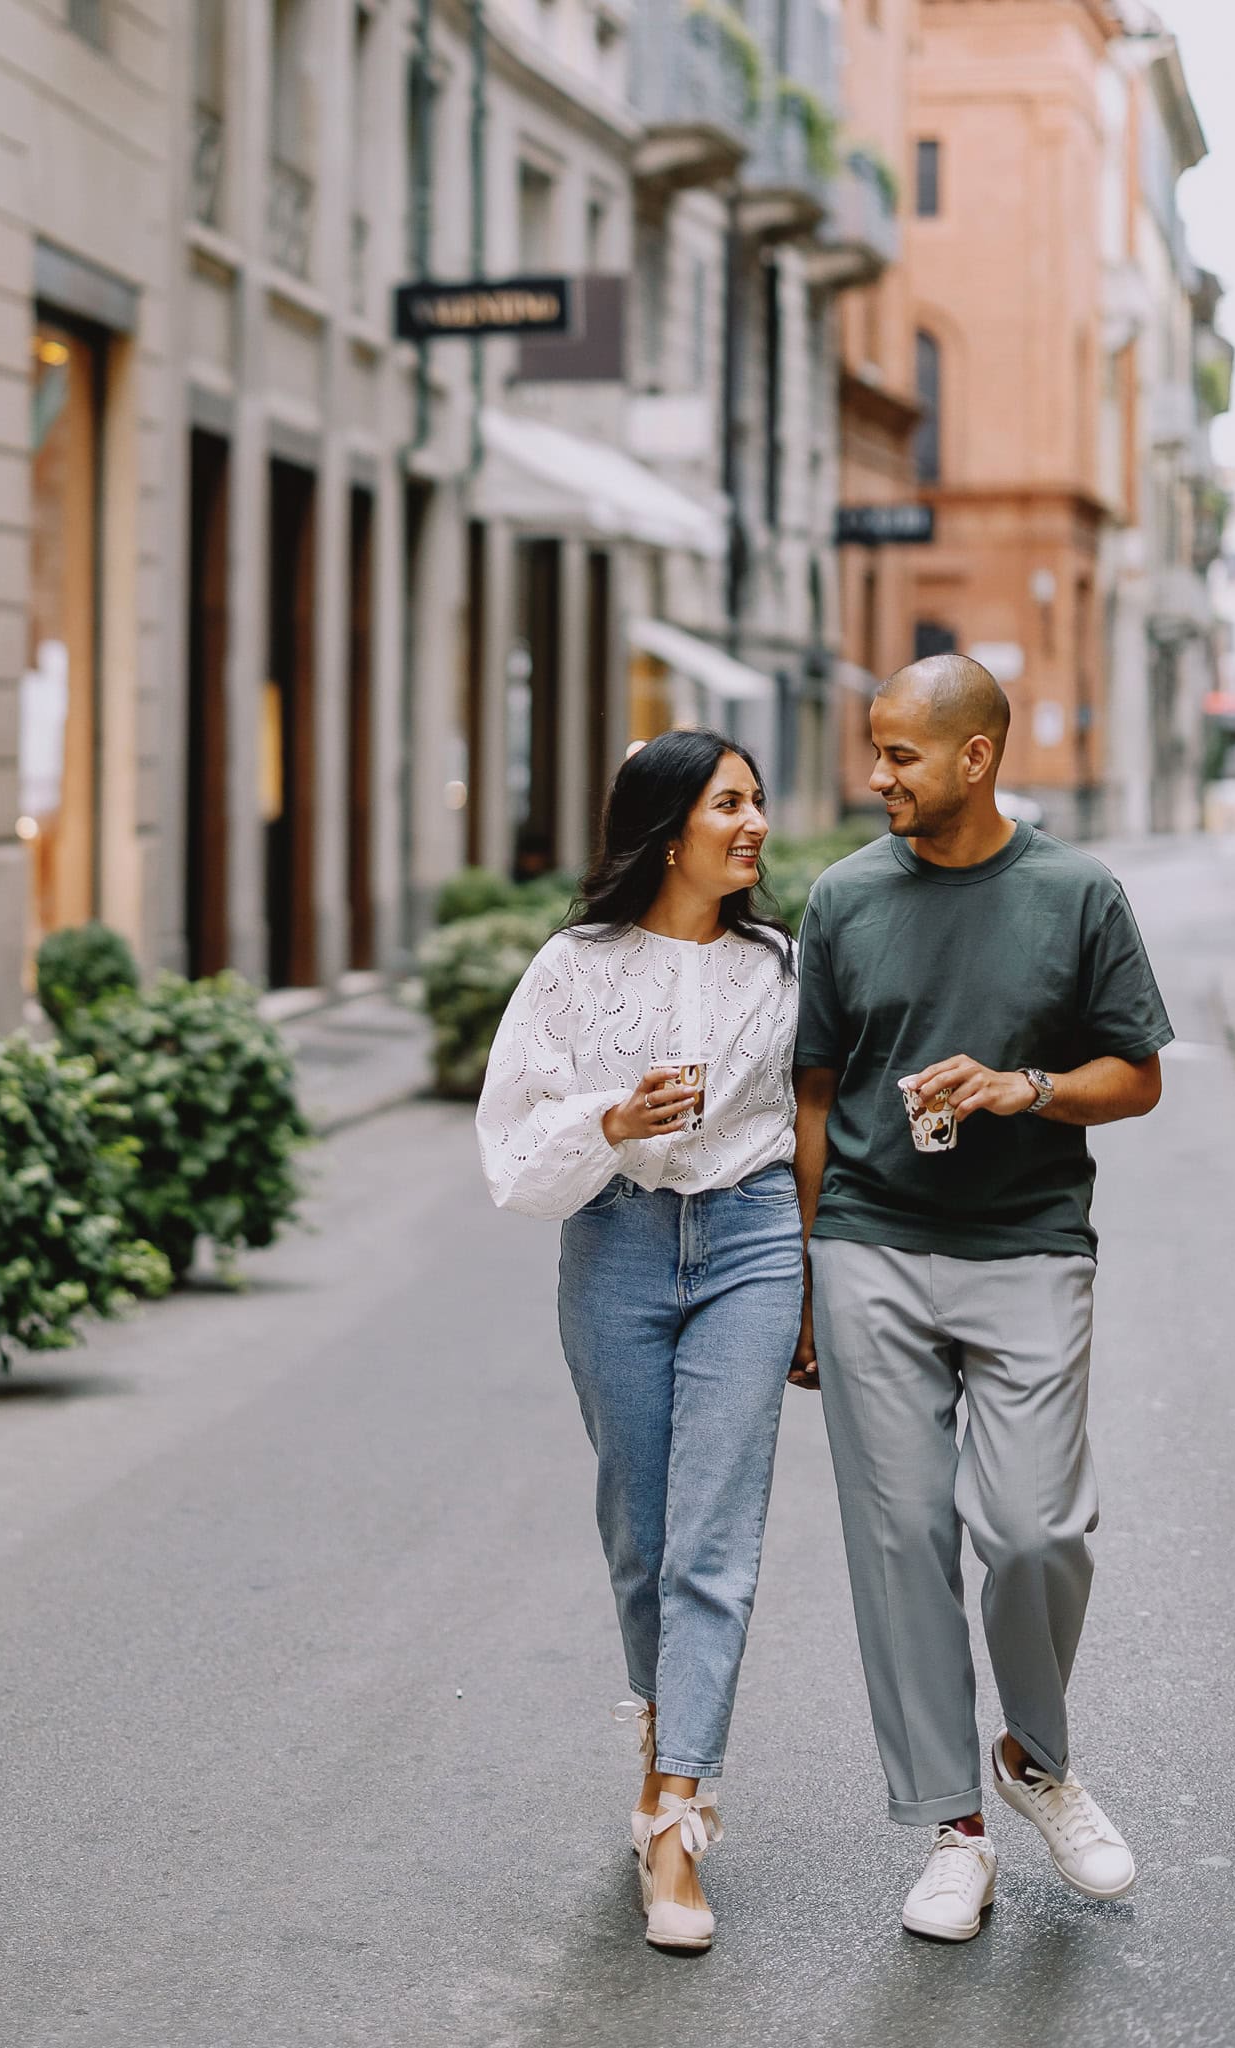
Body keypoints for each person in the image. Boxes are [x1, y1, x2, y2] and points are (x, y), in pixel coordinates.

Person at [792, 654, 1172, 1943]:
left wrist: (1028, 1087)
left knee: (1031, 1528)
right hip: (872, 1244)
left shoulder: (1075, 893)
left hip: (1028, 1242)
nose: (878, 775)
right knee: (898, 1540)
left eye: (901, 753)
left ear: (976, 756)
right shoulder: (843, 896)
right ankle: (954, 1825)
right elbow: (813, 1092)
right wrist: (806, 1267)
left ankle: (1037, 1760)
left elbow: (1137, 1075)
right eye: (875, 750)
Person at [476, 729, 801, 1954]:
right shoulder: (573, 966)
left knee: (714, 1538)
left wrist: (814, 1286)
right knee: (643, 1530)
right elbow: (511, 1147)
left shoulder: (780, 966)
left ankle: (677, 1817)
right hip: (613, 1244)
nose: (757, 822)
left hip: (754, 1238)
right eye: (733, 801)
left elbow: (806, 1124)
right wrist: (609, 1118)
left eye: (759, 800)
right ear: (669, 826)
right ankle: (668, 1743)